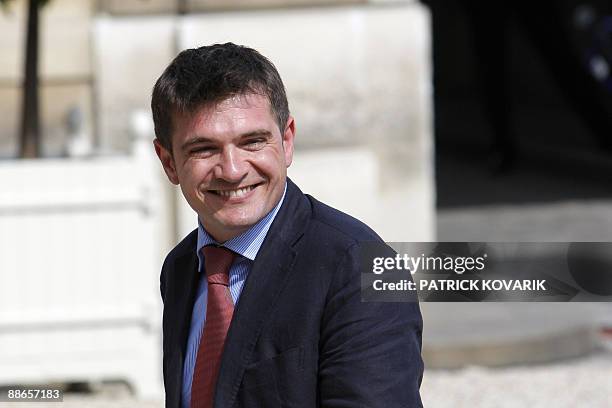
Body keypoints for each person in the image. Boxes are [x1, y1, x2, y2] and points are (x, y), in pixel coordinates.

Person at [152, 42, 424, 408]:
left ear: (287, 140)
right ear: (169, 162)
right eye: (204, 149)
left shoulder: (362, 268)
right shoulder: (181, 268)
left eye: (252, 142)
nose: (232, 170)